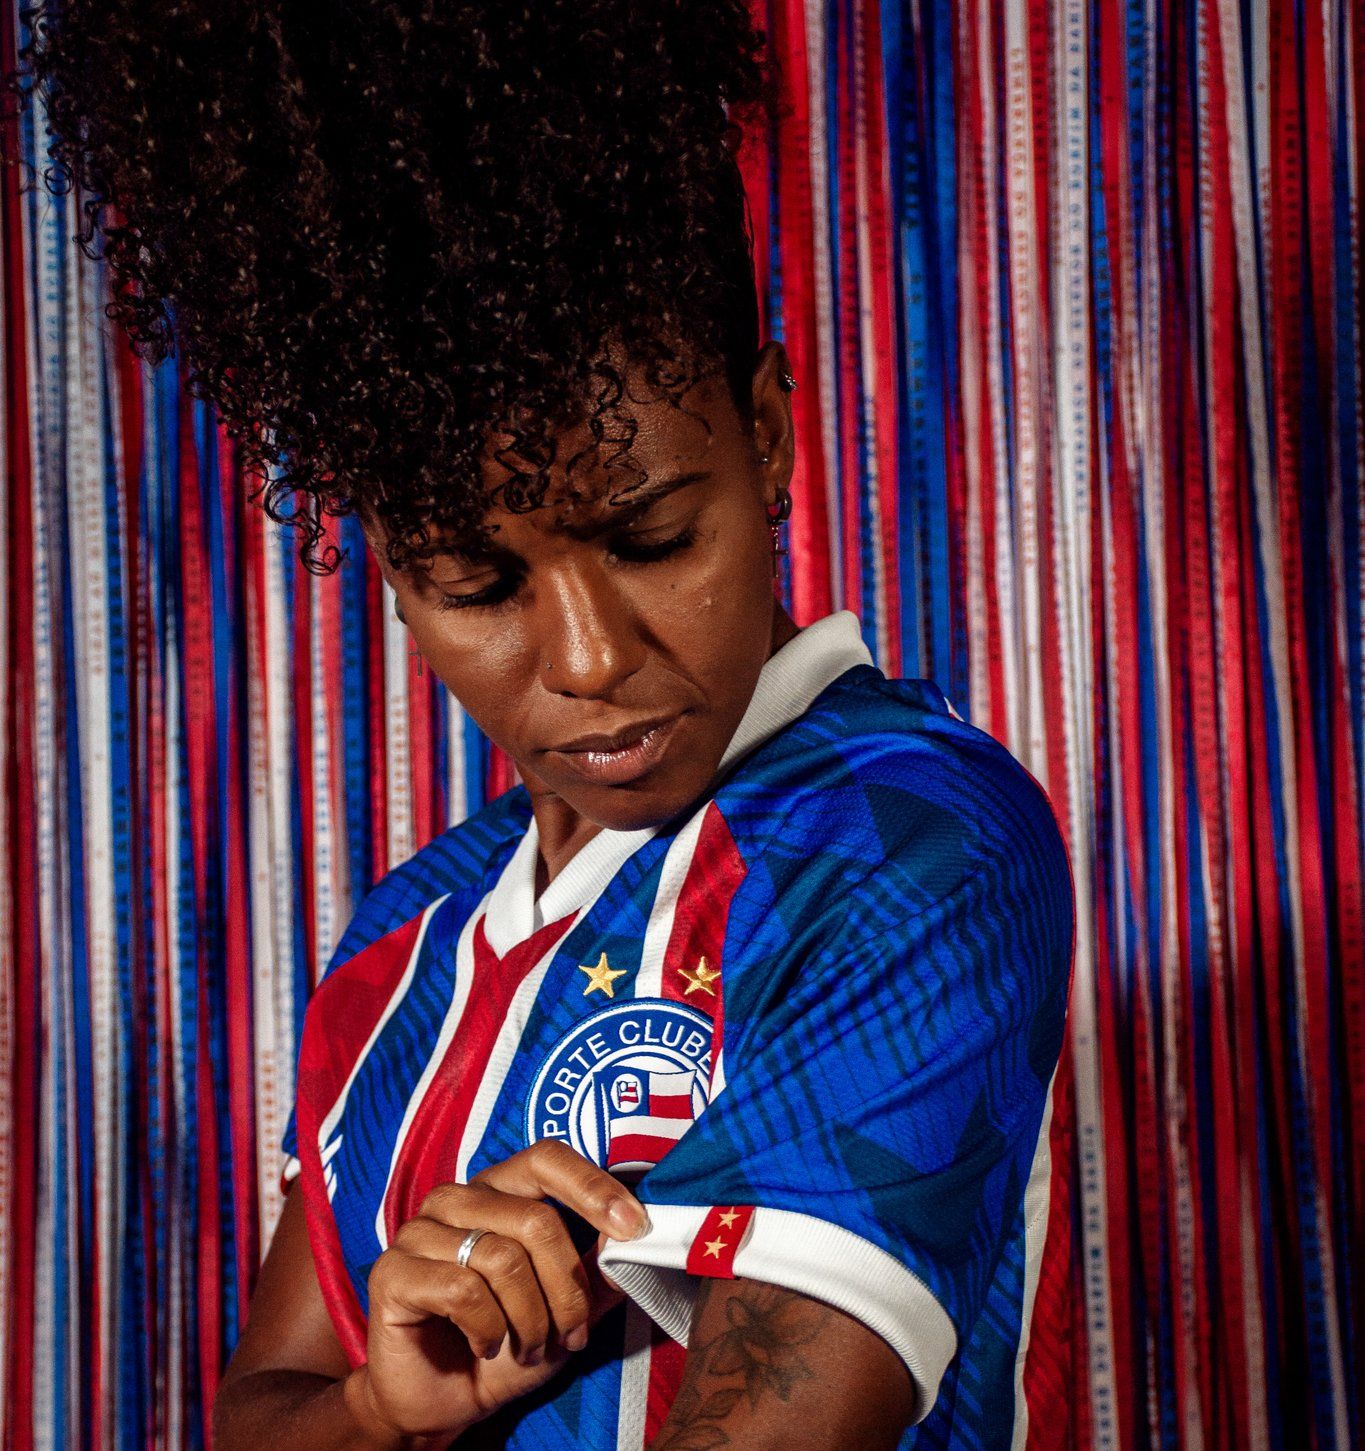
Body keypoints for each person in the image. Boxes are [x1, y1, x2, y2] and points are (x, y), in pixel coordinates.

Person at [10, 3, 1077, 1447]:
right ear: (394, 569)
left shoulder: (905, 836)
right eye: (478, 583)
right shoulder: (407, 931)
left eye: (649, 537)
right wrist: (385, 1407)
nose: (588, 661)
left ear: (765, 437)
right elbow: (260, 1413)